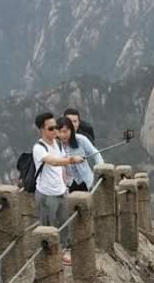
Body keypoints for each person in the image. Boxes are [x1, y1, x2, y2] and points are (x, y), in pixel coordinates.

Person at [33, 111, 82, 264]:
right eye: (51, 128)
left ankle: (63, 253)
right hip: (47, 194)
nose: (55, 131)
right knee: (49, 227)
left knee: (64, 223)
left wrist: (65, 184)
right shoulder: (39, 148)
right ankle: (51, 259)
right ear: (42, 130)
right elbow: (53, 162)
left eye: (56, 128)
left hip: (61, 191)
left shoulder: (57, 144)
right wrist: (72, 160)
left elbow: (59, 166)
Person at [57, 116, 103, 192]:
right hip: (67, 184)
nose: (62, 135)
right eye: (60, 132)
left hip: (85, 182)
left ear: (71, 130)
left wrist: (100, 171)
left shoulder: (80, 139)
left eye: (65, 131)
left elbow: (96, 154)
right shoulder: (56, 145)